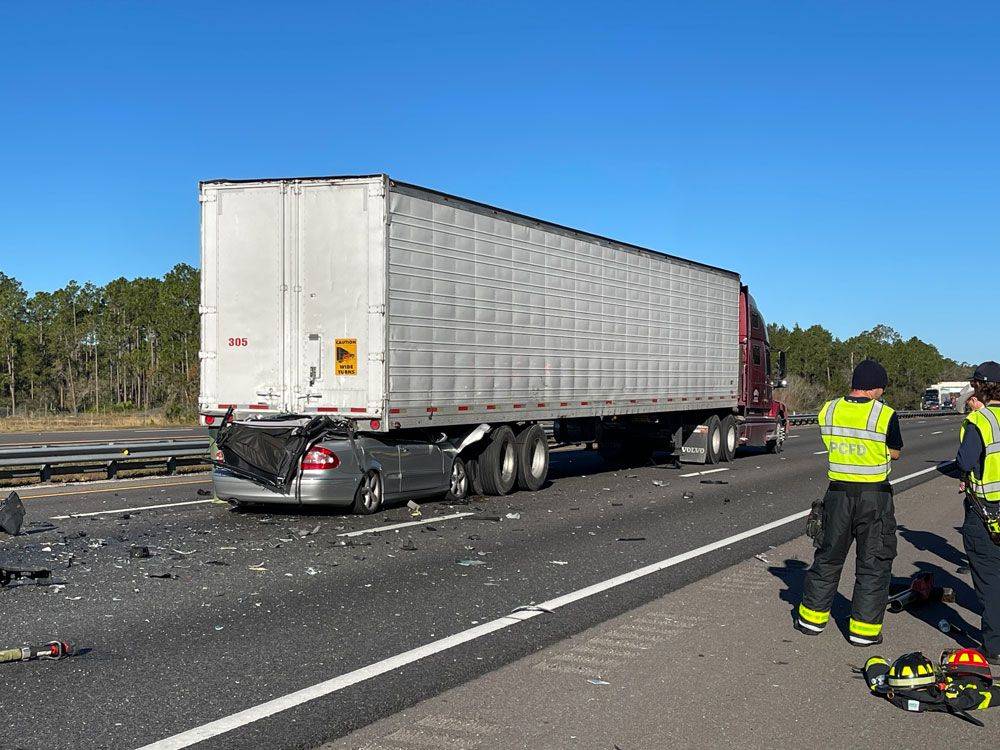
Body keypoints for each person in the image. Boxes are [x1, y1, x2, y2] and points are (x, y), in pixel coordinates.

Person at [795, 359, 903, 646]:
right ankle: (863, 632)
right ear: (875, 387)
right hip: (874, 497)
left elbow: (832, 442)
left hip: (838, 494)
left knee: (828, 556)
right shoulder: (885, 415)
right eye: (881, 388)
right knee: (873, 562)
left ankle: (811, 621)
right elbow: (894, 453)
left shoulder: (828, 410)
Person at [956, 361, 1000, 666]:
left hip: (987, 511)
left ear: (978, 387)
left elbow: (966, 462)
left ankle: (995, 646)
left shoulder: (980, 421)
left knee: (989, 579)